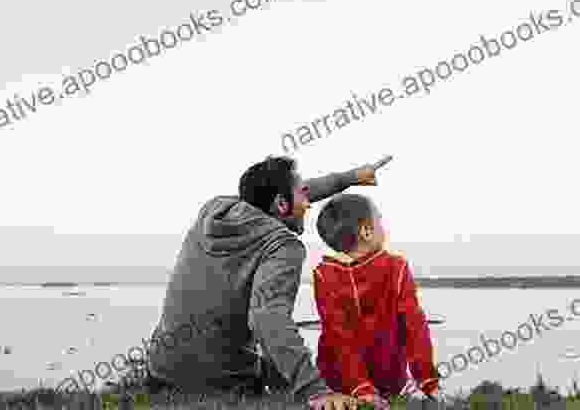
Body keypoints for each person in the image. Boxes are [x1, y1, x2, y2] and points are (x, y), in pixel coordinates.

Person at [144, 154, 393, 410]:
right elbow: (267, 318)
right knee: (329, 377)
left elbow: (279, 195)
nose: (308, 203)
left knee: (283, 362)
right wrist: (317, 392)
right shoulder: (282, 245)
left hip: (160, 374)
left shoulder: (215, 208)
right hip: (221, 384)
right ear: (281, 205)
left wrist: (349, 178)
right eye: (303, 195)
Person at [313, 193, 440, 409]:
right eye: (379, 220)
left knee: (336, 336)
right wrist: (428, 381)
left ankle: (361, 392)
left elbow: (337, 334)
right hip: (388, 380)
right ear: (367, 231)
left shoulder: (323, 274)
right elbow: (414, 328)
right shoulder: (396, 268)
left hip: (336, 381)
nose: (383, 227)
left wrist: (359, 387)